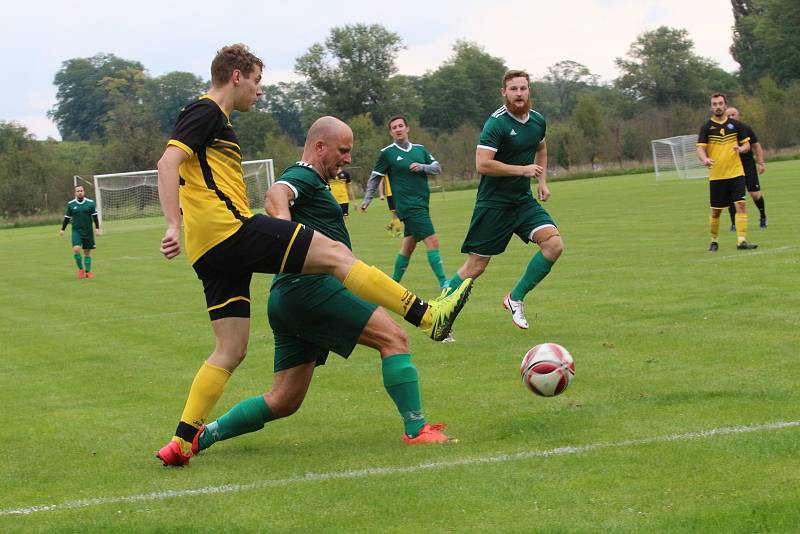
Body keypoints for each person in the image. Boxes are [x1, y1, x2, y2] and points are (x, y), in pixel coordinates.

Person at [154, 44, 472, 466]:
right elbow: (167, 162)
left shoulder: (216, 122)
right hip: (230, 231)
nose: (259, 91)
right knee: (337, 255)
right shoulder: (207, 111)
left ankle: (182, 441)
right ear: (236, 76)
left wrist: (183, 227)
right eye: (257, 81)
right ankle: (429, 316)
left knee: (231, 351)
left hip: (208, 252)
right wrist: (172, 223)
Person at [190, 117, 454, 461]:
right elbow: (276, 194)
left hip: (287, 298)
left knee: (284, 400)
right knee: (394, 339)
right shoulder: (303, 174)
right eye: (343, 150)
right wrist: (281, 231)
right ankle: (416, 430)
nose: (347, 158)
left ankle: (202, 436)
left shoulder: (315, 179)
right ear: (319, 147)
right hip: (311, 289)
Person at [440, 70, 563, 331]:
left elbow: (541, 149)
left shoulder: (538, 121)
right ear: (504, 92)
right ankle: (436, 315)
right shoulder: (496, 124)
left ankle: (514, 298)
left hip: (522, 202)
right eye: (513, 89)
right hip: (493, 204)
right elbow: (482, 165)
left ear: (529, 90)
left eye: (523, 88)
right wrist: (523, 170)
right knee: (475, 267)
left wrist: (542, 181)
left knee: (553, 245)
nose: (519, 93)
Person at [360, 116, 448, 288]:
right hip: (408, 205)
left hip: (422, 203)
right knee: (432, 241)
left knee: (408, 246)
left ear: (407, 128)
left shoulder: (420, 150)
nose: (398, 129)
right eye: (394, 127)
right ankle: (444, 283)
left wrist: (422, 166)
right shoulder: (387, 153)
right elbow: (375, 177)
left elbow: (437, 168)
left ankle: (393, 285)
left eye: (401, 126)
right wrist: (368, 198)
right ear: (391, 132)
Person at [696, 93, 757, 251]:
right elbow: (700, 149)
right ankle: (714, 240)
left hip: (736, 173)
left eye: (720, 103)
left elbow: (747, 145)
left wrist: (740, 148)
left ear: (725, 105)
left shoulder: (736, 125)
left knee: (741, 205)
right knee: (716, 212)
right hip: (717, 176)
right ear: (711, 107)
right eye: (714, 104)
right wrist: (705, 160)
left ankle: (741, 241)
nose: (717, 106)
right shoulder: (706, 128)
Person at [725, 107, 767, 230]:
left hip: (748, 165)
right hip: (731, 166)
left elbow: (756, 146)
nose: (731, 117)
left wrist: (761, 162)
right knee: (733, 196)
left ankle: (763, 216)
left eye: (733, 114)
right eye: (729, 115)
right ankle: (734, 223)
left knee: (754, 194)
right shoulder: (723, 131)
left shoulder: (745, 128)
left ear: (739, 116)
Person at [59, 185, 101, 279]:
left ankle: (88, 272)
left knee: (87, 252)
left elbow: (95, 217)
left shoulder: (90, 203)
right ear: (75, 193)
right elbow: (67, 218)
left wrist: (97, 228)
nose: (80, 192)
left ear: (84, 192)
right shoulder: (71, 204)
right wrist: (62, 229)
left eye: (81, 190)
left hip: (88, 231)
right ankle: (81, 270)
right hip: (76, 231)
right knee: (76, 249)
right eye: (78, 191)